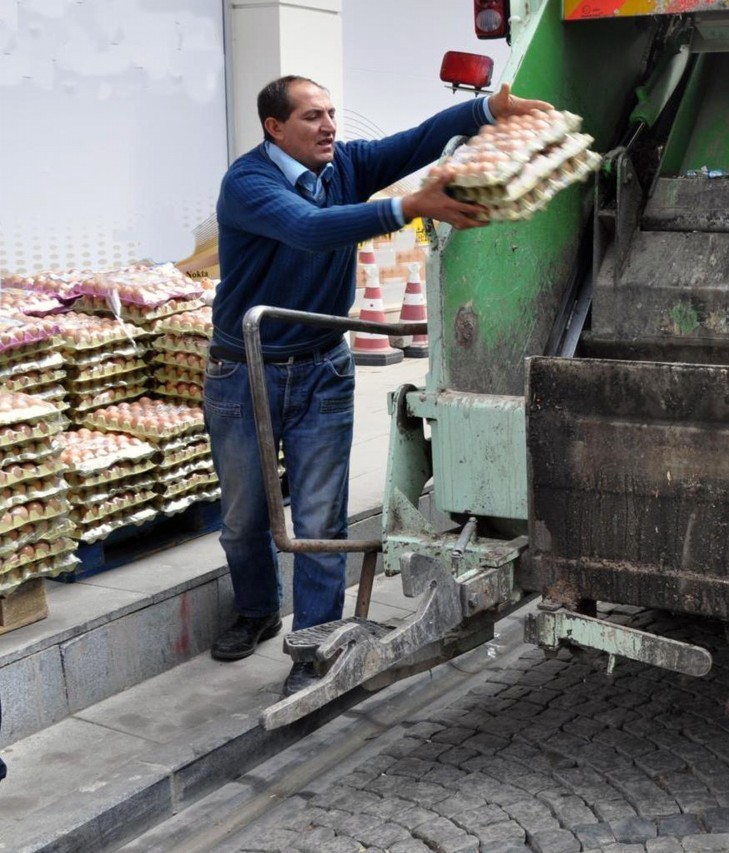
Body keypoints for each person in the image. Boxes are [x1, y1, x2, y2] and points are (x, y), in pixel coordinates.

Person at [206, 74, 550, 696]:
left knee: (319, 518)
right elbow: (310, 227)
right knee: (243, 514)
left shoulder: (345, 164)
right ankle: (256, 609)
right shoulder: (248, 184)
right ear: (274, 128)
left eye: (332, 113)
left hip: (322, 370)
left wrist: (486, 108)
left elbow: (416, 140)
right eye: (313, 117)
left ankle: (313, 651)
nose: (330, 127)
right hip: (244, 372)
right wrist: (409, 207)